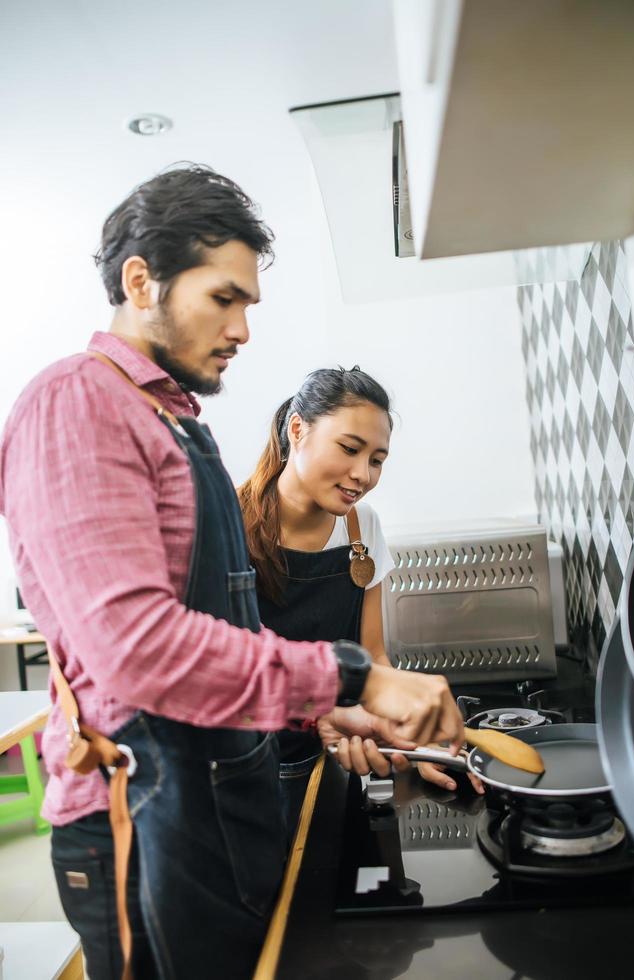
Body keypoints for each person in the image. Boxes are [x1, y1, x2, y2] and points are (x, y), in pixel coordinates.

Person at [0, 164, 465, 980]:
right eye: (225, 298)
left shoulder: (173, 420)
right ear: (141, 281)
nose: (244, 328)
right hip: (145, 816)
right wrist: (355, 680)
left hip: (216, 796)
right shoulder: (76, 404)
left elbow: (228, 636)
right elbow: (136, 650)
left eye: (248, 304)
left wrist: (327, 713)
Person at [240, 369, 483, 841]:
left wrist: (421, 747)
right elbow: (223, 671)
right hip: (252, 766)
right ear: (297, 429)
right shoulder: (230, 524)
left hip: (334, 752)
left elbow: (373, 658)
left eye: (377, 459)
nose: (363, 476)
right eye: (349, 449)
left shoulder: (361, 527)